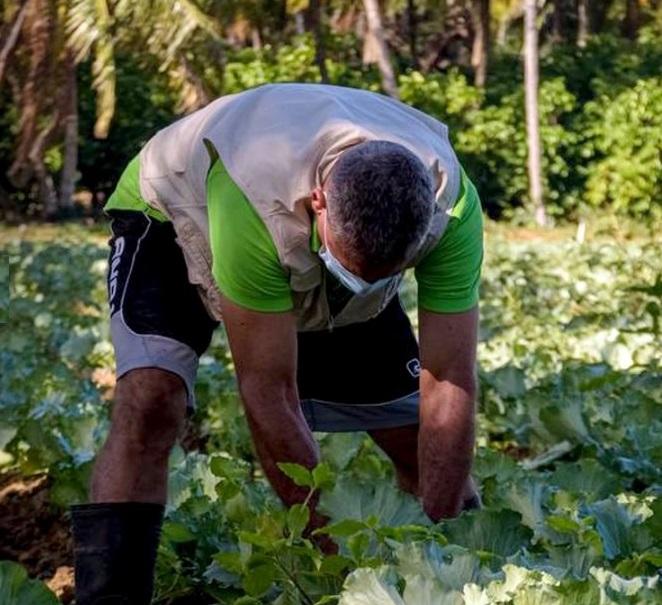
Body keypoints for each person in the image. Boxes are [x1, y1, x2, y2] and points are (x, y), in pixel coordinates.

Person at [71, 83, 484, 604]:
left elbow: (448, 379)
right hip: (173, 212)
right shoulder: (250, 196)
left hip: (325, 241)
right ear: (319, 205)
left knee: (413, 434)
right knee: (151, 400)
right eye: (351, 268)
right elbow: (268, 392)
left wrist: (442, 542)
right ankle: (109, 598)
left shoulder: (454, 209)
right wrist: (332, 567)